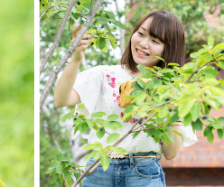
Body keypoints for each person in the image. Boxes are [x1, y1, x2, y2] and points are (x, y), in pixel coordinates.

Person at [53, 10, 198, 186]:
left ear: (169, 48)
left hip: (143, 174)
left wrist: (169, 107)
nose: (144, 44)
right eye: (141, 34)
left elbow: (171, 153)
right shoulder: (104, 75)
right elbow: (61, 99)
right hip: (99, 170)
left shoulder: (172, 90)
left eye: (155, 41)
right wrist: (75, 58)